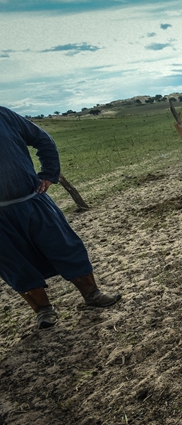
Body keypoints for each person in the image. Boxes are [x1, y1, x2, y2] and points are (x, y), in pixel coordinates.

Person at [0, 106, 121, 330]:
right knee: (15, 265)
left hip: (32, 201)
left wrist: (49, 172)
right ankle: (43, 310)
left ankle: (92, 294)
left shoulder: (4, 116)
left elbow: (42, 139)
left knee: (65, 247)